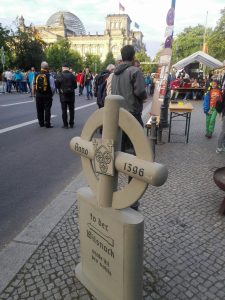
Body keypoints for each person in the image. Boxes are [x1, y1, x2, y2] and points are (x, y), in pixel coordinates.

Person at [111, 45, 147, 211]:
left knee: (118, 153)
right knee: (135, 155)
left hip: (118, 118)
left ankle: (112, 192)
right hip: (132, 117)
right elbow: (140, 92)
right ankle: (132, 199)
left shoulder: (115, 73)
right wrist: (144, 96)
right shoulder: (134, 71)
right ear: (133, 56)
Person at [33, 61, 55, 128]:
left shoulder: (36, 75)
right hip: (47, 95)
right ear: (47, 68)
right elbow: (53, 87)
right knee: (47, 109)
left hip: (38, 95)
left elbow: (33, 85)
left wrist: (34, 94)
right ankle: (47, 123)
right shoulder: (49, 76)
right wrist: (52, 95)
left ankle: (41, 123)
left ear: (41, 67)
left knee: (39, 109)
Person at [55, 63, 77, 128]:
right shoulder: (72, 75)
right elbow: (75, 86)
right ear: (68, 68)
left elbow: (57, 86)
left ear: (62, 68)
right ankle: (71, 123)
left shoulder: (59, 75)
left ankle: (65, 124)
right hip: (71, 95)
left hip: (63, 96)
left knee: (64, 110)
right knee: (71, 110)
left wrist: (61, 88)